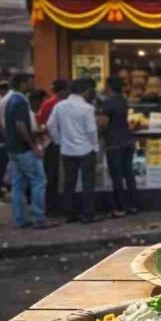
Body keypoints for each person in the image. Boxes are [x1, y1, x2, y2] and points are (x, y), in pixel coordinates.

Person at [4, 75, 57, 229]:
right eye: (29, 82)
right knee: (39, 181)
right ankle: (39, 218)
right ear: (23, 83)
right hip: (24, 148)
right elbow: (20, 124)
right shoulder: (20, 101)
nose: (32, 84)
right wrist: (33, 146)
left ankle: (20, 218)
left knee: (18, 184)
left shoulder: (10, 100)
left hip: (14, 148)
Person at [48, 78, 99, 223]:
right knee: (87, 183)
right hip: (85, 150)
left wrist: (59, 141)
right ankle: (87, 214)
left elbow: (51, 125)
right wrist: (94, 145)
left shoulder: (60, 106)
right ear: (85, 90)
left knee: (69, 183)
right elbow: (91, 130)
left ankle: (69, 214)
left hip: (67, 150)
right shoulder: (87, 108)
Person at [98, 76, 139, 217]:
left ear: (109, 86)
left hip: (114, 143)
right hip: (127, 140)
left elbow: (103, 124)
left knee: (116, 176)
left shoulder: (108, 103)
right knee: (128, 174)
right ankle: (133, 205)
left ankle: (119, 208)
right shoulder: (123, 100)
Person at [36, 79, 69, 208]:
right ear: (63, 90)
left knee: (55, 173)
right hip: (53, 142)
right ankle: (52, 203)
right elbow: (46, 123)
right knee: (53, 173)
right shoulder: (53, 103)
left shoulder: (52, 103)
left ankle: (54, 202)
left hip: (55, 141)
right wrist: (57, 139)